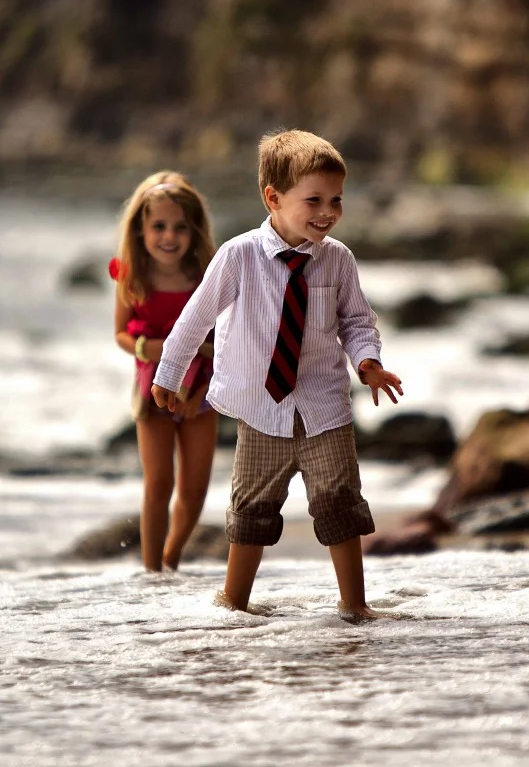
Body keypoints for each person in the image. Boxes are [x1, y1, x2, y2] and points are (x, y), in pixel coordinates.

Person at [151, 130, 404, 621]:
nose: (327, 212)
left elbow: (356, 321)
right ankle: (235, 607)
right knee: (251, 511)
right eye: (313, 200)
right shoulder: (238, 256)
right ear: (273, 197)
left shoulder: (338, 259)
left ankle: (355, 607)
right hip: (261, 410)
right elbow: (195, 316)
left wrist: (368, 363)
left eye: (336, 200)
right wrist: (170, 372)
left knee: (340, 504)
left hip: (323, 406)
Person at [112, 171, 219, 572]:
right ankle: (151, 572)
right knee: (158, 485)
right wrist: (151, 348)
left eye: (179, 227)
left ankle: (170, 560)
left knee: (193, 490)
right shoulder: (133, 276)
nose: (168, 236)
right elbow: (121, 333)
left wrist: (201, 385)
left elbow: (223, 339)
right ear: (140, 230)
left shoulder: (205, 276)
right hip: (150, 387)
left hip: (201, 389)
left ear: (194, 231)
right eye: (158, 226)